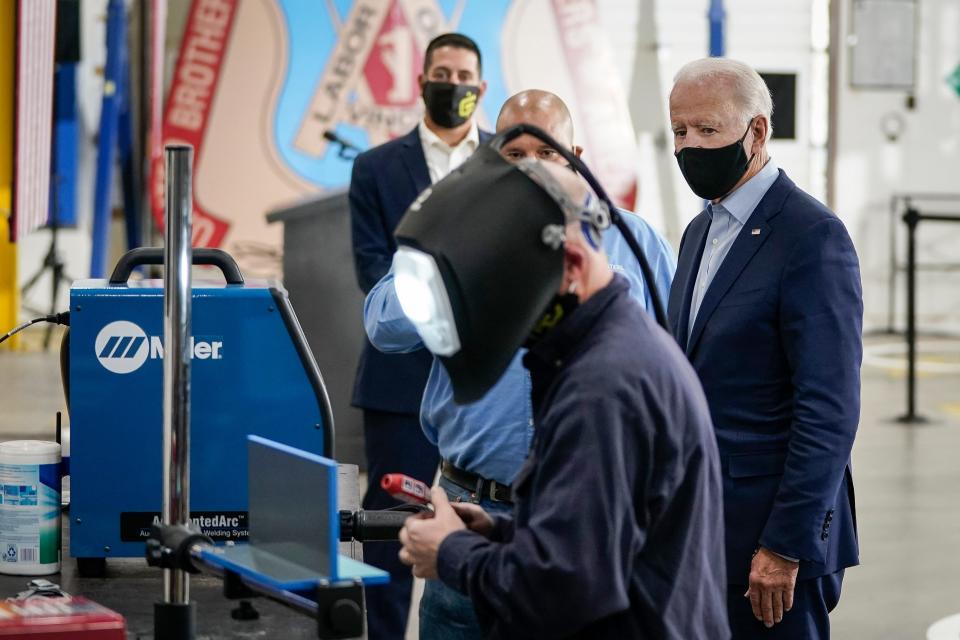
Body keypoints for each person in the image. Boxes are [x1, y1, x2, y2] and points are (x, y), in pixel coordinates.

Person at [363, 89, 675, 639]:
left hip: (579, 507)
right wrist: (462, 269)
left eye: (547, 152)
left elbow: (676, 357)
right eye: (513, 154)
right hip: (469, 503)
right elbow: (384, 326)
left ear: (575, 155)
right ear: (491, 157)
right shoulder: (456, 236)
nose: (531, 166)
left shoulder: (633, 242)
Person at [397, 161, 729, 639]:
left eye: (505, 300)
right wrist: (498, 534)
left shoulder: (602, 387)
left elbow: (567, 590)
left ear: (571, 265)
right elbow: (599, 539)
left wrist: (451, 552)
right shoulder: (608, 350)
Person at [666, 57, 862, 639]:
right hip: (703, 532)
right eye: (680, 131)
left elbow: (828, 411)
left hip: (771, 552)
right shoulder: (700, 232)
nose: (689, 147)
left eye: (707, 130)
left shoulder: (812, 238)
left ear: (757, 131)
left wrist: (784, 545)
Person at [348, 32, 491, 640]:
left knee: (488, 532)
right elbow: (375, 274)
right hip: (400, 385)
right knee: (390, 536)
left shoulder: (505, 165)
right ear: (421, 81)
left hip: (491, 392)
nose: (451, 84)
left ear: (480, 89)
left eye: (463, 76)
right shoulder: (376, 168)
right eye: (442, 73)